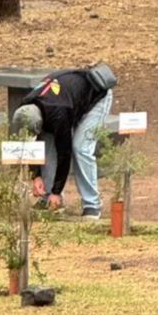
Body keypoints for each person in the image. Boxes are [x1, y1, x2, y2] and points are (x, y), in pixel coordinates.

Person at [11, 64, 116, 217]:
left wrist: (57, 191)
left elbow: (64, 154)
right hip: (69, 98)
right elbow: (34, 146)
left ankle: (92, 204)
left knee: (80, 148)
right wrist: (36, 175)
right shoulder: (26, 106)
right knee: (47, 145)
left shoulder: (58, 114)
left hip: (96, 95)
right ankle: (47, 198)